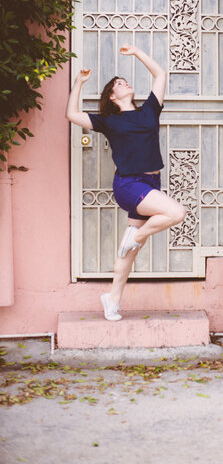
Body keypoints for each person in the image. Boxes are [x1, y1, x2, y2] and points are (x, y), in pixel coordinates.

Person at [66, 44, 186, 321]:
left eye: (126, 81)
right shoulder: (109, 121)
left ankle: (112, 300)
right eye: (119, 83)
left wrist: (137, 53)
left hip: (151, 183)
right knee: (176, 213)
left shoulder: (148, 111)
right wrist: (78, 83)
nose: (125, 83)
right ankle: (139, 236)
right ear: (112, 95)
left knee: (128, 253)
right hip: (129, 185)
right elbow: (71, 115)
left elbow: (161, 75)